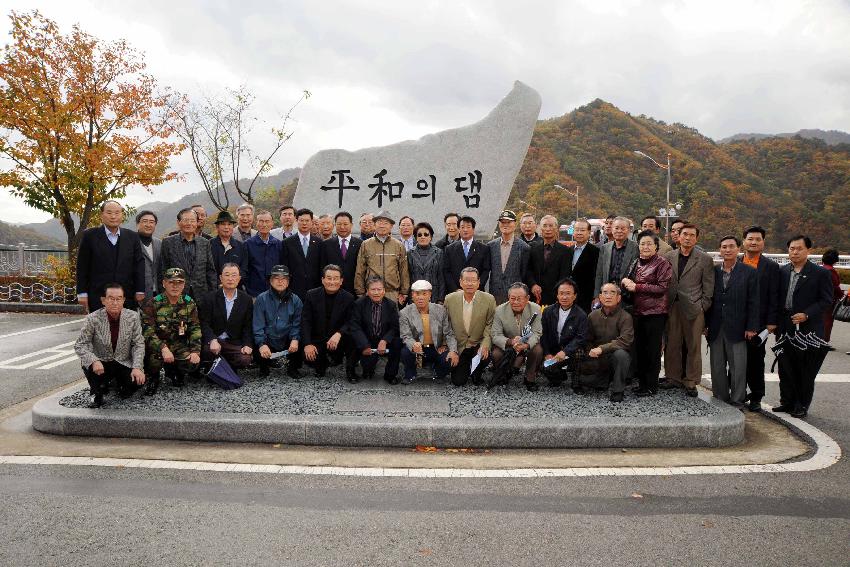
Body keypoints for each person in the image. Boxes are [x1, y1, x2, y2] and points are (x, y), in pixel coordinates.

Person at [773, 235, 834, 418]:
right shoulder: (782, 271)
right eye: (791, 248)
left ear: (809, 250)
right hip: (785, 325)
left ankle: (801, 405)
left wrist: (807, 314)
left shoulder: (820, 273)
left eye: (799, 248)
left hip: (808, 329)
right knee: (785, 366)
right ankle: (787, 401)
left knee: (805, 369)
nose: (795, 252)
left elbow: (826, 300)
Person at [706, 236, 759, 408]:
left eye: (731, 246)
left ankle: (737, 400)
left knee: (738, 366)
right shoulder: (713, 271)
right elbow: (709, 299)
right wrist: (705, 324)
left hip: (738, 327)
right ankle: (720, 399)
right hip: (715, 326)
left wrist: (751, 326)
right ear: (720, 250)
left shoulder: (749, 272)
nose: (727, 250)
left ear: (738, 249)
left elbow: (754, 301)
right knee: (717, 366)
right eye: (724, 247)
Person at [662, 223, 714, 397]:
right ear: (678, 235)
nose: (688, 238)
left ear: (696, 238)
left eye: (692, 235)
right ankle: (672, 378)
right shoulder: (669, 256)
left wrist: (702, 307)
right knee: (672, 344)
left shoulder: (705, 259)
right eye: (685, 234)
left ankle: (691, 381)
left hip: (694, 308)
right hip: (671, 306)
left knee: (693, 346)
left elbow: (708, 288)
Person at [74, 283, 146, 408]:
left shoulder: (133, 317)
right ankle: (96, 392)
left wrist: (137, 367)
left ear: (123, 300)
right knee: (89, 364)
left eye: (119, 298)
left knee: (135, 385)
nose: (115, 302)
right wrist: (93, 360)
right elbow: (80, 344)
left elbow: (138, 344)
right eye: (111, 298)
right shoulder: (93, 318)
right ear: (103, 300)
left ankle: (116, 383)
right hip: (101, 363)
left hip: (123, 361)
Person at [620, 231, 672, 397]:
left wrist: (638, 287)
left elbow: (662, 288)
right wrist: (625, 282)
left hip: (655, 313)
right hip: (637, 312)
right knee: (640, 349)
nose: (645, 246)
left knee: (652, 351)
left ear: (656, 246)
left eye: (649, 243)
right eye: (642, 243)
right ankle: (642, 383)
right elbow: (627, 280)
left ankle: (651, 386)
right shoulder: (636, 261)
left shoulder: (662, 263)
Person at [76, 200, 146, 312]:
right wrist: (82, 293)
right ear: (101, 215)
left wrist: (140, 290)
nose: (113, 216)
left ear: (122, 215)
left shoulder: (132, 236)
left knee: (126, 327)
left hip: (126, 294)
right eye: (109, 213)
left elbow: (139, 264)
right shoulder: (89, 236)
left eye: (117, 213)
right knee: (100, 327)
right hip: (98, 294)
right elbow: (82, 266)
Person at [140, 268, 202, 394]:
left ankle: (174, 371)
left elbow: (195, 328)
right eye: (171, 282)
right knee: (152, 359)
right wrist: (163, 348)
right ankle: (154, 377)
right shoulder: (153, 303)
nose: (175, 286)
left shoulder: (189, 303)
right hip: (158, 346)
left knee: (192, 363)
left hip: (179, 344)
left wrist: (195, 351)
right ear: (164, 283)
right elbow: (147, 331)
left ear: (184, 284)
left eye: (179, 283)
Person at [741, 225, 781, 411]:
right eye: (750, 239)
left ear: (763, 243)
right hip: (736, 321)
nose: (754, 242)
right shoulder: (736, 262)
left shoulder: (771, 267)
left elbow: (774, 295)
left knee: (756, 360)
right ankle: (738, 393)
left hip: (758, 323)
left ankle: (756, 395)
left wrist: (772, 322)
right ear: (744, 242)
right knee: (735, 359)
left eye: (758, 239)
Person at [301, 264, 358, 382]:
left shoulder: (349, 298)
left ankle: (350, 369)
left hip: (339, 339)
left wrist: (339, 333)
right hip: (318, 338)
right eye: (329, 278)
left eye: (336, 278)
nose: (332, 282)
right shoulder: (311, 295)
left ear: (341, 281)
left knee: (354, 338)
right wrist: (307, 344)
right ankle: (323, 364)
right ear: (323, 280)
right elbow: (306, 321)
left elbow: (351, 321)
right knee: (310, 357)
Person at [579, 283, 634, 402]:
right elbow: (587, 339)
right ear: (600, 297)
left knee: (621, 355)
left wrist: (602, 348)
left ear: (619, 298)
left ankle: (618, 390)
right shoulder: (592, 316)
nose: (608, 296)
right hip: (598, 357)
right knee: (585, 381)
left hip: (615, 357)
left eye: (612, 293)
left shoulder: (626, 317)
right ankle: (604, 380)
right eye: (605, 293)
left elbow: (625, 341)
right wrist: (590, 352)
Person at [444, 267, 496, 386]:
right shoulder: (450, 299)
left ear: (478, 283)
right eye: (466, 280)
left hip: (477, 344)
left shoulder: (489, 299)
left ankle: (477, 371)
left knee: (485, 355)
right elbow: (446, 325)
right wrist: (451, 349)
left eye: (473, 280)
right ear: (461, 282)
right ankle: (466, 367)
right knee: (458, 381)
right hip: (459, 345)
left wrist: (485, 345)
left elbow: (490, 324)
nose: (470, 283)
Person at [399, 280, 457, 383]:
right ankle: (410, 373)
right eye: (417, 294)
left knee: (449, 358)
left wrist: (452, 350)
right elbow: (405, 335)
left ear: (430, 295)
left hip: (435, 348)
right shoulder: (404, 313)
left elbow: (448, 333)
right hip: (418, 348)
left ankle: (438, 372)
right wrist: (413, 344)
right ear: (412, 295)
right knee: (405, 352)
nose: (420, 297)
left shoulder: (440, 310)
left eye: (424, 294)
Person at [198, 263, 254, 370]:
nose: (230, 278)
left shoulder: (246, 299)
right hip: (215, 340)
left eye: (234, 275)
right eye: (227, 275)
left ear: (239, 279)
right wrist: (212, 339)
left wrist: (247, 344)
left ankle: (227, 367)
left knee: (245, 358)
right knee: (204, 352)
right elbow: (204, 323)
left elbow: (248, 325)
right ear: (220, 278)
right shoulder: (209, 298)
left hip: (233, 342)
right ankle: (214, 367)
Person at [490, 282, 543, 391]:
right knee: (496, 353)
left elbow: (537, 332)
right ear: (508, 297)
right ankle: (503, 374)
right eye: (512, 298)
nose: (516, 302)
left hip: (526, 343)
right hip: (508, 344)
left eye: (520, 298)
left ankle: (530, 378)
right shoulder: (499, 310)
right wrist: (511, 341)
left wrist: (527, 345)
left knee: (537, 349)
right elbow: (495, 334)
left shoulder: (536, 309)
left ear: (527, 298)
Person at [349, 276, 402, 383]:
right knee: (351, 340)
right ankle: (351, 372)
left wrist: (385, 340)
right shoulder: (359, 304)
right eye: (373, 289)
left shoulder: (391, 305)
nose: (376, 292)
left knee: (397, 342)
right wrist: (364, 345)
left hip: (383, 338)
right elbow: (355, 326)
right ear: (367, 291)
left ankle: (390, 375)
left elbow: (394, 327)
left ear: (384, 291)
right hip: (367, 339)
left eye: (379, 289)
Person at [252, 265, 303, 378]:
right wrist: (262, 344)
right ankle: (263, 367)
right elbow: (258, 325)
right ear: (270, 281)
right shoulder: (261, 299)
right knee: (254, 341)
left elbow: (297, 323)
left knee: (301, 340)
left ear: (288, 281)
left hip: (287, 339)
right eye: (276, 278)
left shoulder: (296, 300)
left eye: (284, 278)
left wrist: (295, 339)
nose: (280, 281)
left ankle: (293, 368)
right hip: (268, 339)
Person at [158, 207, 217, 300]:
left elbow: (210, 271)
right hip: (176, 295)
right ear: (178, 222)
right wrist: (164, 294)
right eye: (185, 220)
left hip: (201, 294)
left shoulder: (205, 242)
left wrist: (213, 293)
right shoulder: (168, 242)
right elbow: (162, 270)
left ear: (197, 223)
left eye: (192, 220)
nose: (189, 223)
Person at [354, 210, 410, 304]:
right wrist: (360, 292)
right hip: (371, 292)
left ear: (391, 226)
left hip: (392, 293)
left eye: (386, 223)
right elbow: (360, 269)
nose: (382, 225)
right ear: (375, 224)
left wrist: (404, 292)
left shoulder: (398, 245)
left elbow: (404, 270)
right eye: (379, 222)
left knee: (391, 318)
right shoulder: (366, 244)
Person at [540, 278, 588, 387]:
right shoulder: (548, 311)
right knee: (544, 367)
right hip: (554, 349)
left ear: (574, 296)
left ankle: (576, 380)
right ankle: (559, 376)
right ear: (557, 295)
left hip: (571, 351)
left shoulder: (581, 315)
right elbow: (543, 334)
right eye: (561, 293)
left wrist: (565, 352)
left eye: (568, 294)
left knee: (579, 352)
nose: (564, 297)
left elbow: (581, 338)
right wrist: (547, 353)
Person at [487, 210, 531, 305]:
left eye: (509, 222)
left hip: (515, 297)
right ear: (499, 224)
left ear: (515, 224)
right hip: (494, 295)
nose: (505, 225)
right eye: (503, 222)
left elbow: (524, 274)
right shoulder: (490, 246)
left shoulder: (524, 248)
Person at [280, 208, 323, 301]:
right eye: (301, 220)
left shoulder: (319, 243)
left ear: (311, 222)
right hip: (294, 289)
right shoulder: (287, 243)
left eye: (307, 221)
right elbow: (285, 266)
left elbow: (321, 266)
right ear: (296, 221)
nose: (304, 223)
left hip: (315, 289)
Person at [527, 215, 571, 306]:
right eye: (545, 226)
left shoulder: (565, 251)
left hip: (555, 298)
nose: (548, 229)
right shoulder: (533, 248)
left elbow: (564, 275)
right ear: (540, 228)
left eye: (551, 226)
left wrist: (557, 293)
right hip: (534, 296)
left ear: (556, 228)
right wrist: (533, 285)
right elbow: (528, 270)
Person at [443, 215, 491, 295]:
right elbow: (447, 271)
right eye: (462, 227)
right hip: (456, 293)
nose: (465, 230)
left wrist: (476, 287)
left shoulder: (483, 248)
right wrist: (455, 289)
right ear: (458, 229)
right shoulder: (449, 249)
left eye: (468, 227)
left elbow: (486, 270)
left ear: (473, 229)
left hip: (477, 292)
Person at [320, 211, 362, 296]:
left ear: (351, 225)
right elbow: (322, 267)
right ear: (335, 225)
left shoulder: (360, 244)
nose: (342, 227)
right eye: (339, 224)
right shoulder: (326, 244)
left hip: (354, 291)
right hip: (332, 290)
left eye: (345, 224)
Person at [594, 216, 638, 298]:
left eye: (623, 228)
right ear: (612, 229)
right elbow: (599, 274)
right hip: (607, 294)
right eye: (616, 228)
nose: (619, 231)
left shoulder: (635, 248)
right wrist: (596, 296)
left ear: (628, 230)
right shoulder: (605, 248)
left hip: (626, 295)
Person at [244, 210, 283, 297]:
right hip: (254, 293)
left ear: (272, 224)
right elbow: (244, 269)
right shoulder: (248, 244)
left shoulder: (278, 244)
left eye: (267, 221)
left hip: (275, 291)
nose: (264, 224)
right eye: (261, 221)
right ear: (256, 223)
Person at [407, 222, 445, 302]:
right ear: (416, 237)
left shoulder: (438, 252)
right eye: (419, 235)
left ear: (431, 236)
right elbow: (408, 277)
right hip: (415, 295)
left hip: (433, 295)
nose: (423, 237)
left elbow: (441, 277)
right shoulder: (410, 253)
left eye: (426, 234)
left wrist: (440, 299)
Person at [569, 218, 600, 312]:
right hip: (569, 296)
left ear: (589, 232)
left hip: (586, 297)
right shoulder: (568, 250)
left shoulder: (596, 252)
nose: (579, 233)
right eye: (577, 230)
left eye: (582, 230)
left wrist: (596, 296)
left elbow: (597, 275)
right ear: (573, 232)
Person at [209, 210, 248, 279]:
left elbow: (244, 270)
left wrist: (233, 282)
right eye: (223, 224)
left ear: (233, 226)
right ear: (217, 227)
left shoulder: (240, 246)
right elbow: (207, 270)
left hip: (236, 287)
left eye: (229, 224)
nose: (226, 227)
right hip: (214, 288)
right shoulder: (209, 245)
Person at [135, 210, 161, 300]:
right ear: (137, 224)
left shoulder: (159, 243)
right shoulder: (130, 242)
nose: (148, 225)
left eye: (152, 222)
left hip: (157, 293)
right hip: (137, 293)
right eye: (145, 221)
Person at [822, 249, 844, 343]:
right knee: (828, 321)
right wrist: (842, 295)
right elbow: (835, 287)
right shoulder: (831, 271)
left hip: (819, 298)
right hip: (829, 299)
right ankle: (824, 341)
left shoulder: (820, 269)